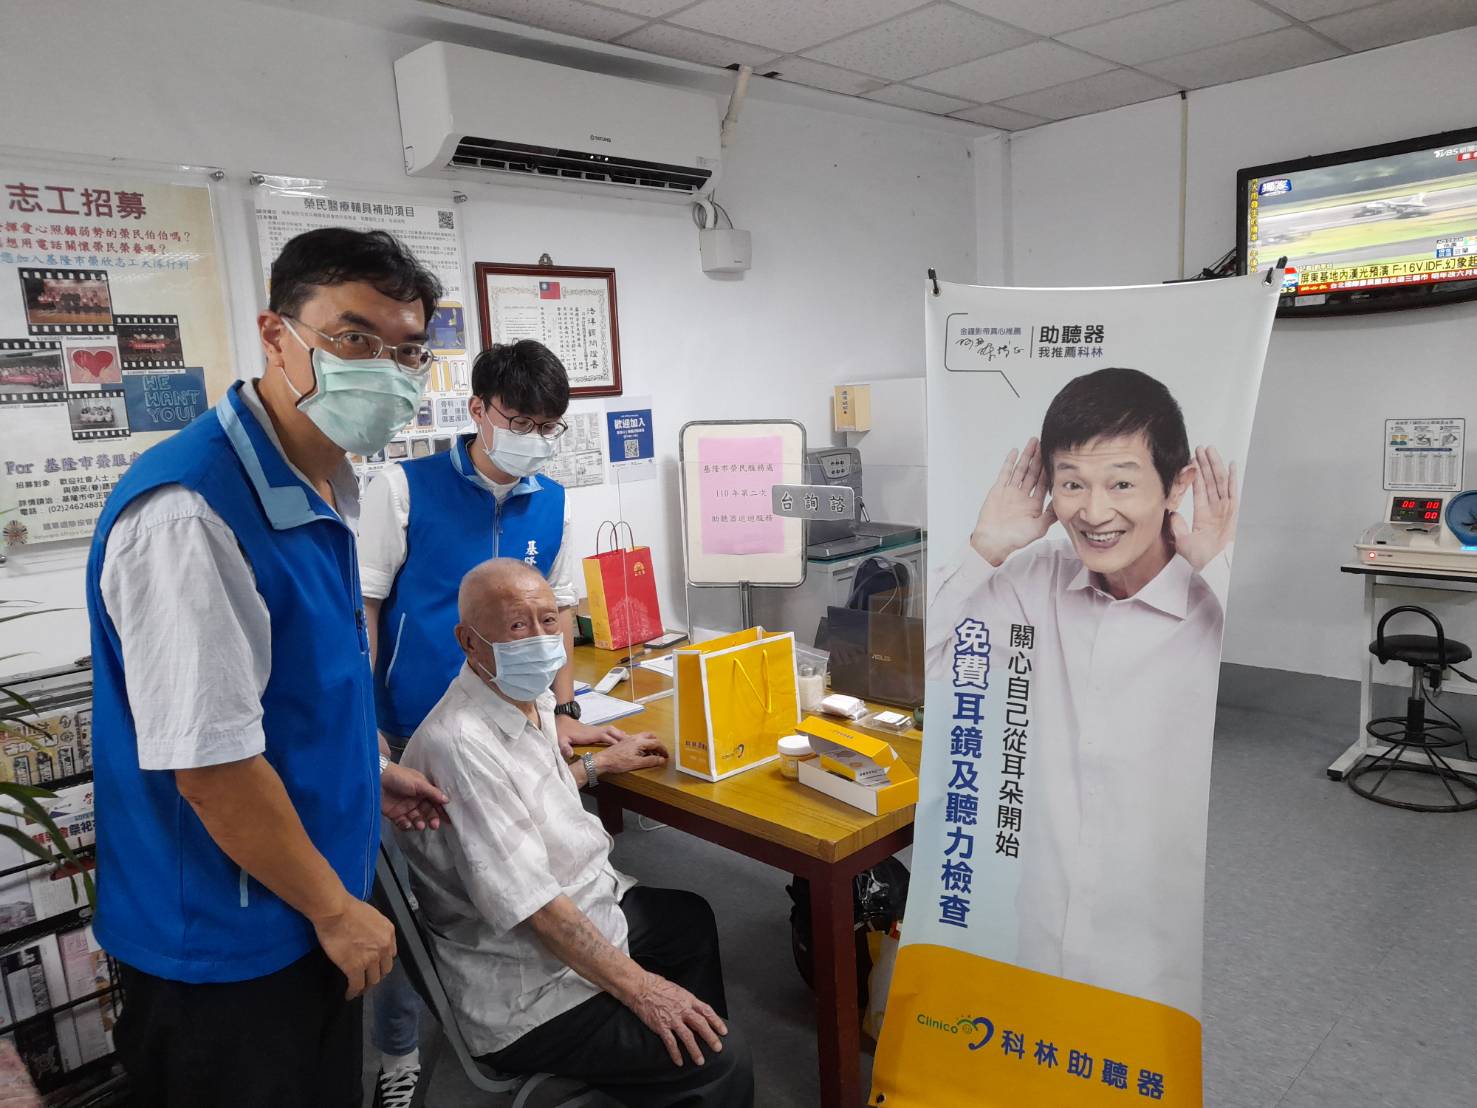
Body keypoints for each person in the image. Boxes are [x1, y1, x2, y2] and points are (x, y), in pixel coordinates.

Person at [86, 227, 451, 1107]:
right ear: (275, 333)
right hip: (226, 937)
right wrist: (334, 909)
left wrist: (367, 771)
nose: (386, 370)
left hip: (296, 900)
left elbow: (291, 694)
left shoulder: (328, 484)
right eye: (353, 337)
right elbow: (211, 765)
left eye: (407, 351)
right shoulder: (192, 511)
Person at [357, 339, 631, 1102]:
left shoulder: (551, 496)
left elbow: (562, 608)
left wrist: (565, 710)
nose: (534, 437)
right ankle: (398, 1052)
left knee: (525, 876)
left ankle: (571, 1010)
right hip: (417, 732)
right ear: (477, 409)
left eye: (549, 424)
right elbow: (366, 612)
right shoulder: (402, 489)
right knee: (426, 904)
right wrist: (368, 733)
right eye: (519, 418)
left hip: (513, 725)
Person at [927, 366, 1237, 1016]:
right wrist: (985, 545)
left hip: (1149, 938)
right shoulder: (1035, 576)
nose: (1094, 513)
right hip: (1038, 914)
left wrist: (1214, 571)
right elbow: (929, 671)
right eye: (1071, 484)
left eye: (1121, 482)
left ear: (1174, 486)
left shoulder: (1211, 600)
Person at [397, 559, 754, 1108]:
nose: (541, 639)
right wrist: (645, 991)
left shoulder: (523, 694)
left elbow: (521, 792)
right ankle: (688, 1068)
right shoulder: (461, 743)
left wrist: (598, 766)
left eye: (548, 621)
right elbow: (536, 909)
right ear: (468, 641)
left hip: (579, 911)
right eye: (518, 626)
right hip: (527, 981)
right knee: (719, 1059)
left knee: (686, 922)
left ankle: (667, 1080)